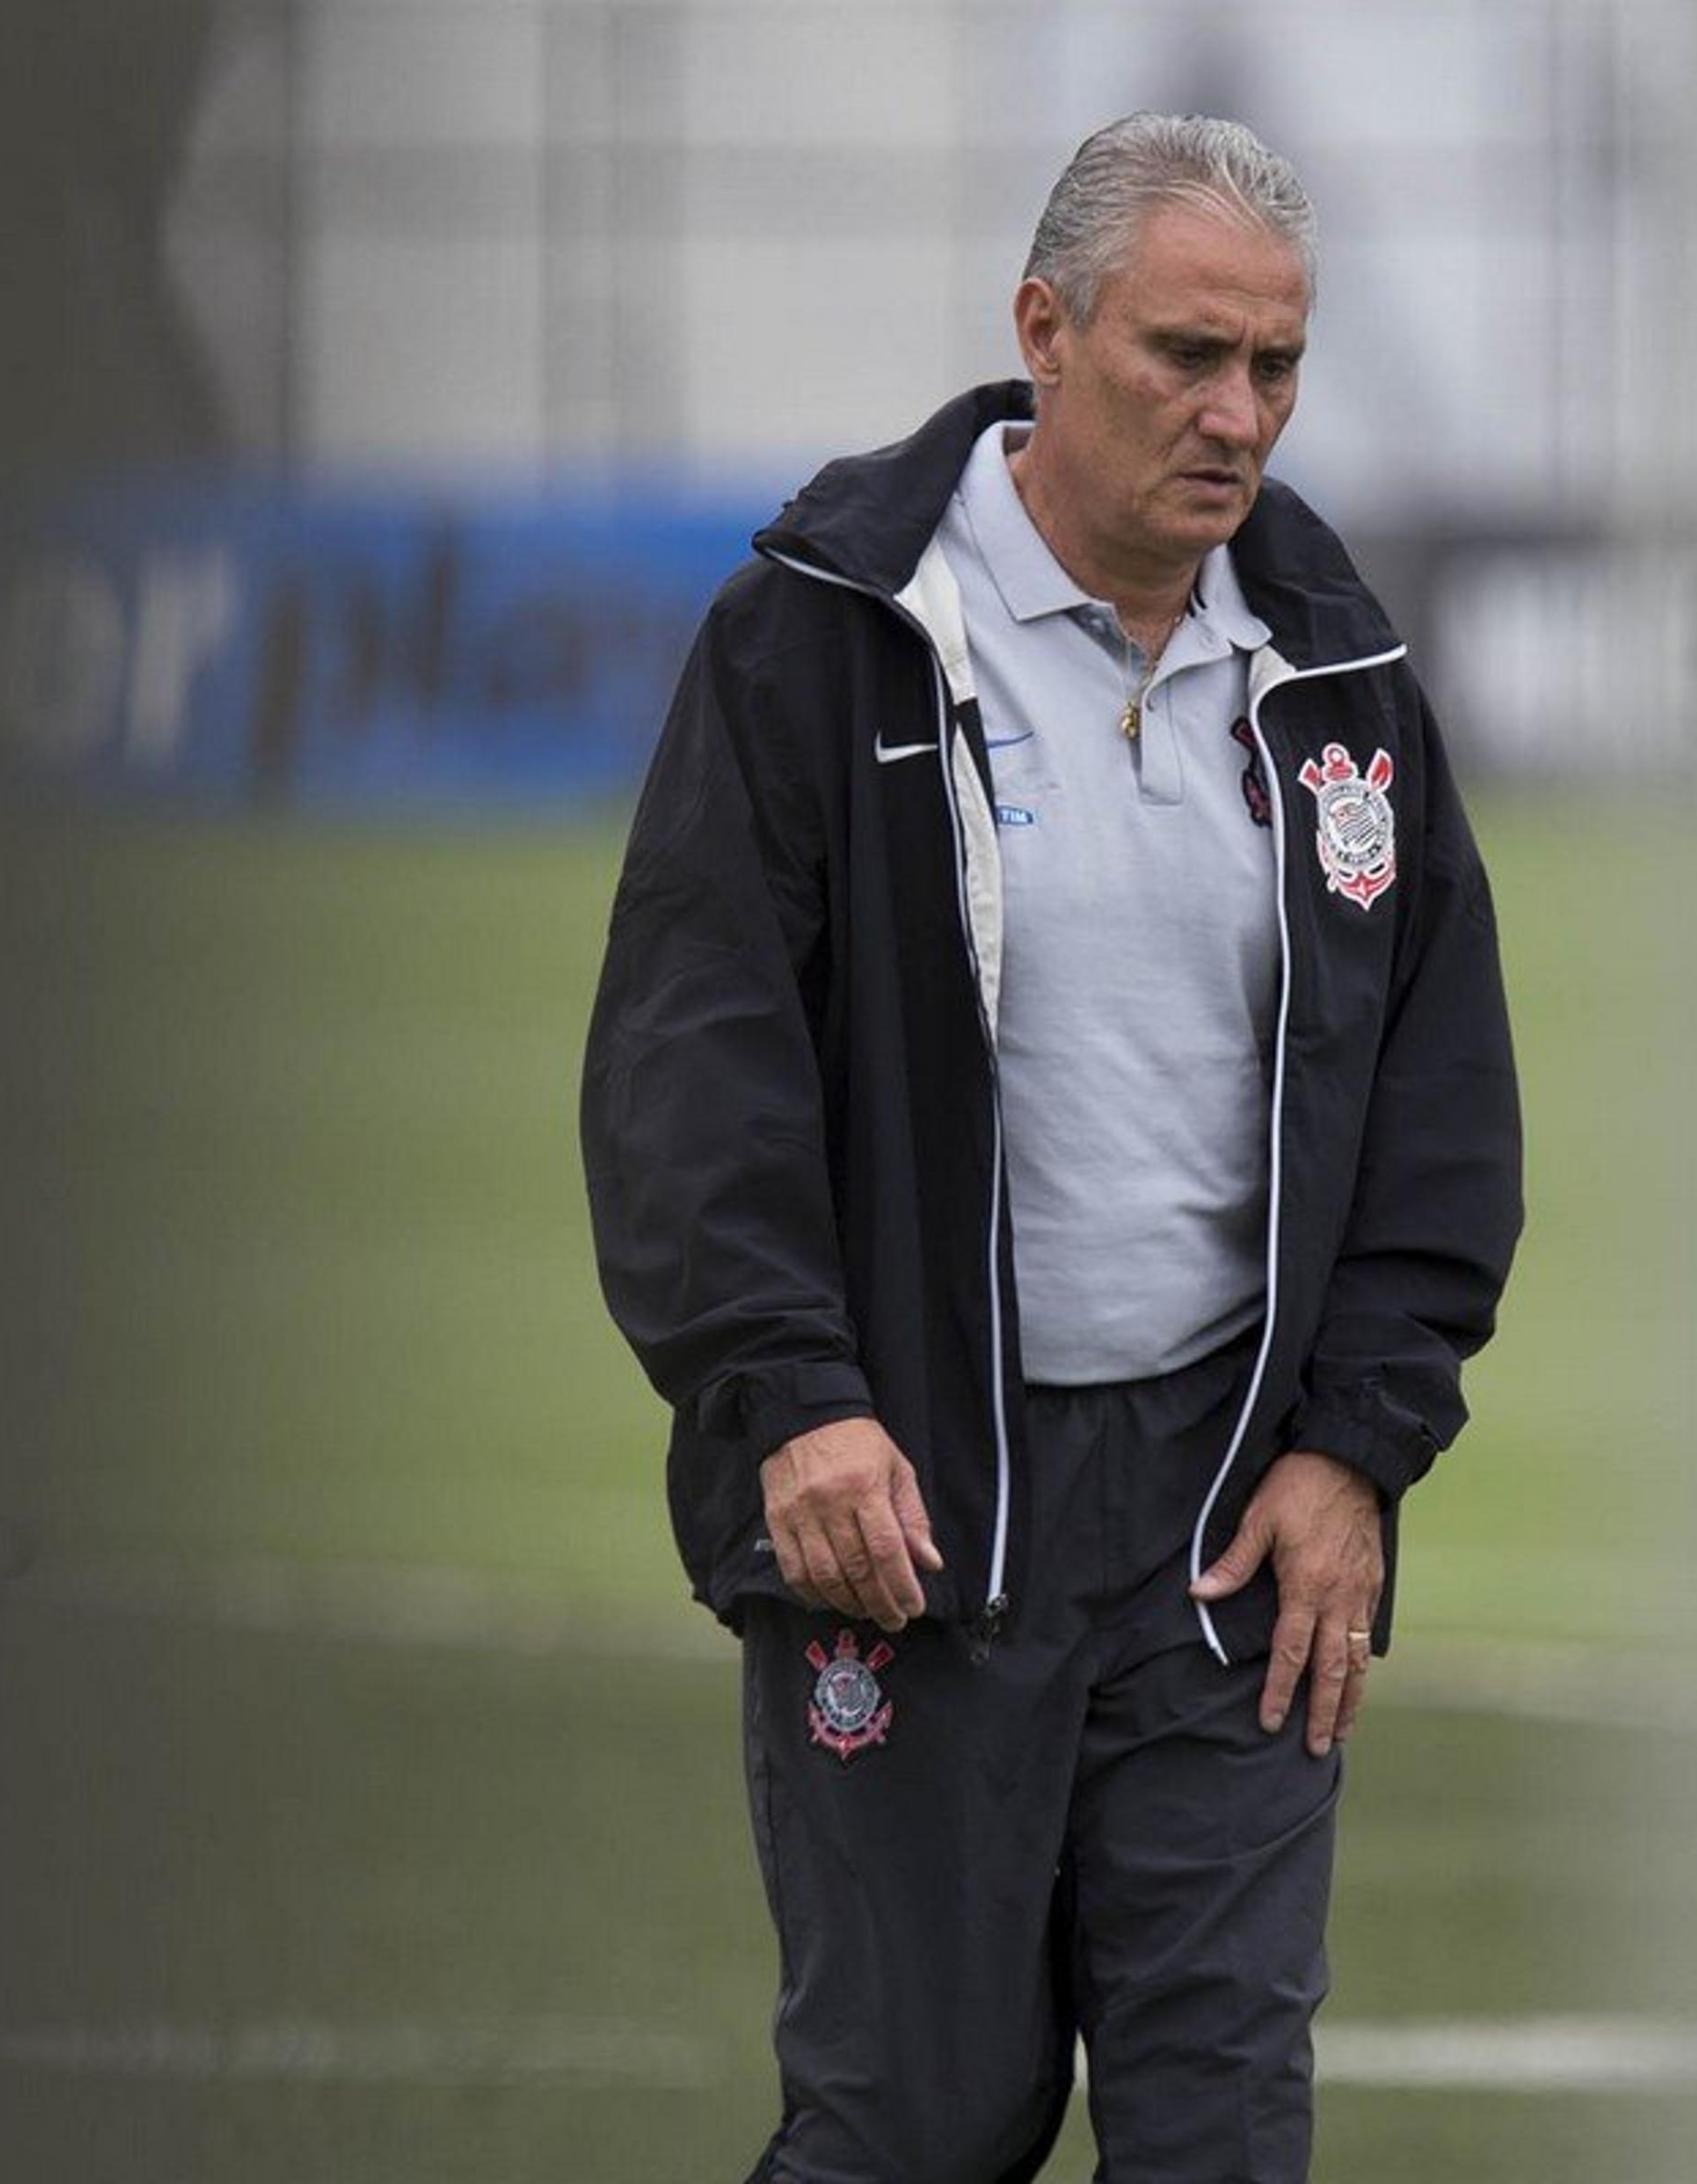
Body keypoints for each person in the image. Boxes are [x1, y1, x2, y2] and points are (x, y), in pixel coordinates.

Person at [581, 114, 1521, 2184]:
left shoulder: (1340, 675)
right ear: (1044, 328)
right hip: (911, 1509)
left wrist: (1355, 1448)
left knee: (1221, 2139)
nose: (1236, 414)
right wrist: (789, 1402)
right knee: (914, 2132)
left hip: (1230, 1536)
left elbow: (1441, 1107)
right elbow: (691, 1057)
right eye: (1186, 353)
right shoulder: (827, 636)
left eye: (1275, 367)